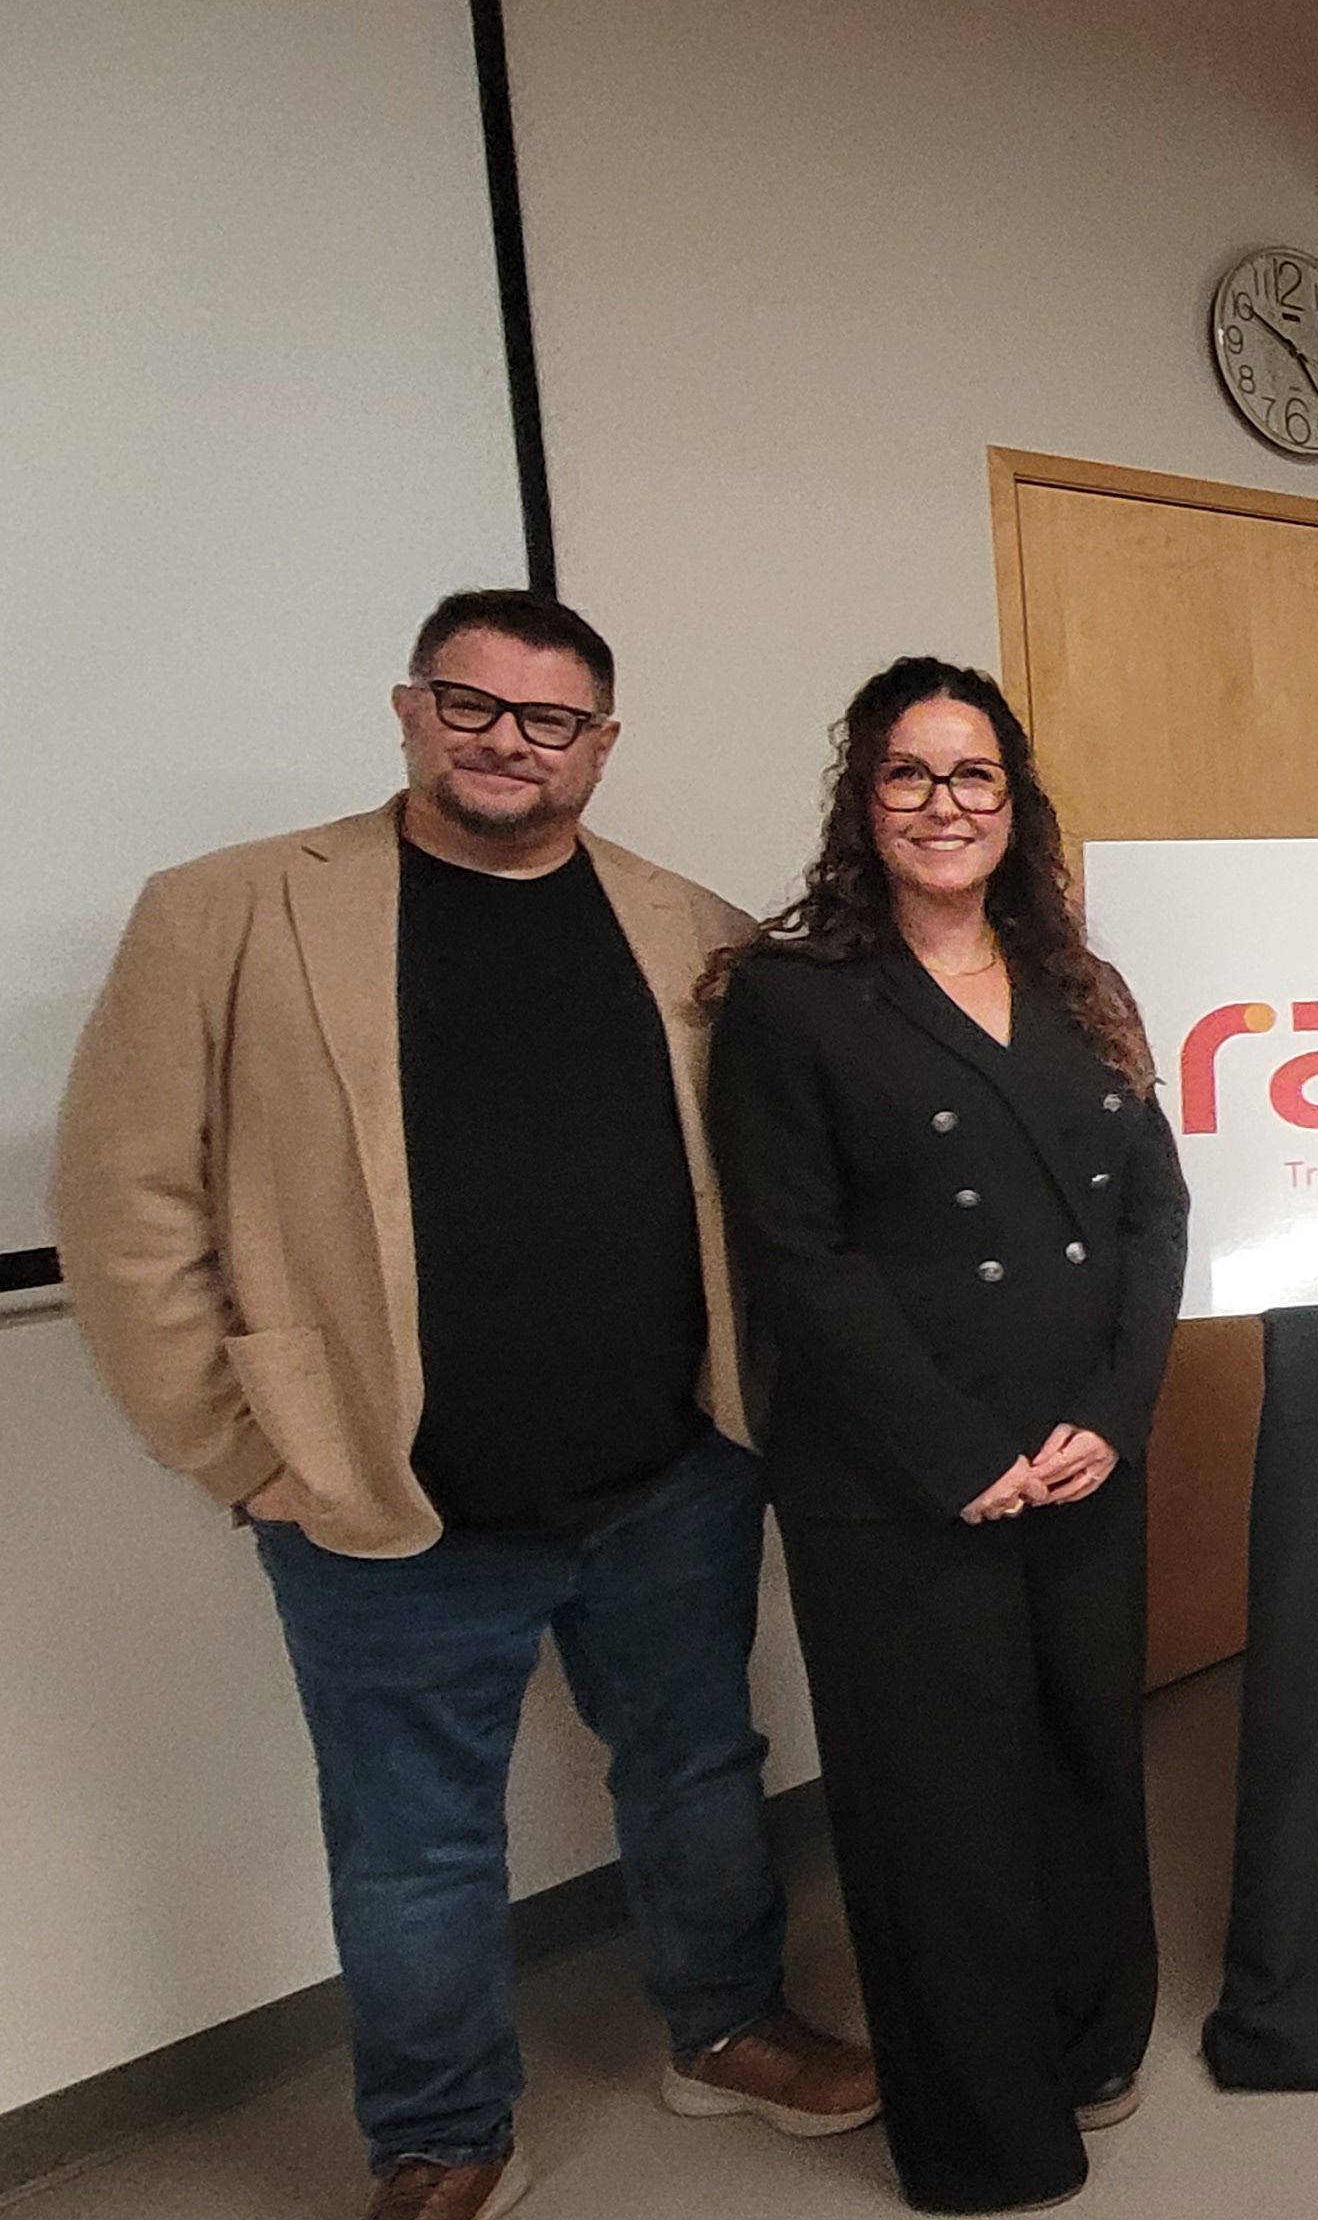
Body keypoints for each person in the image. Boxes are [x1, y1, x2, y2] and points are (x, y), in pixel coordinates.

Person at [54, 588, 877, 2220]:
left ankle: (725, 2026)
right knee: (414, 1842)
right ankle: (441, 2134)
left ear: (601, 743)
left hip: (669, 1476)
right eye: (472, 704)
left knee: (700, 1770)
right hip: (382, 1495)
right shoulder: (227, 912)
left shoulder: (692, 925)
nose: (509, 741)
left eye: (549, 718)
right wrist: (240, 1453)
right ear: (412, 709)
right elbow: (123, 1199)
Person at [705, 657, 1185, 2213]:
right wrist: (957, 1452)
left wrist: (1114, 1411)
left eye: (973, 775)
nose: (942, 804)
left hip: (1082, 1458)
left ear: (1014, 801)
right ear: (864, 799)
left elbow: (1154, 1212)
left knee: (1084, 1761)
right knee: (940, 1809)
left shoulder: (1077, 982)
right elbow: (798, 1256)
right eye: (908, 774)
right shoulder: (790, 998)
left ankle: (1092, 2040)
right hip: (900, 1481)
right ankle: (985, 2138)